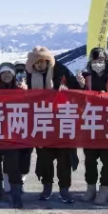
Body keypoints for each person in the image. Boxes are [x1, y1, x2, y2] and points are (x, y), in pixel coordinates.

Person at [25, 46, 80, 204]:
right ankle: (47, 186)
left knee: (64, 159)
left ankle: (64, 189)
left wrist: (68, 90)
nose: (41, 65)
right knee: (44, 158)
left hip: (62, 121)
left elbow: (78, 91)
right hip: (42, 121)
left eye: (44, 61)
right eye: (37, 62)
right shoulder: (30, 77)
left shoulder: (61, 70)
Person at [76, 48, 108, 205]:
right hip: (90, 125)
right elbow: (75, 99)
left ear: (107, 61)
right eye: (95, 61)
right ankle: (91, 187)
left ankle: (104, 188)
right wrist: (81, 87)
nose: (98, 64)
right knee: (90, 159)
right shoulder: (85, 78)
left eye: (101, 61)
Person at [0, 62, 26, 208]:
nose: (7, 76)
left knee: (12, 164)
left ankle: (16, 193)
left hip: (12, 134)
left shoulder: (20, 89)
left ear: (14, 75)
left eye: (9, 73)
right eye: (4, 73)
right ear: (0, 75)